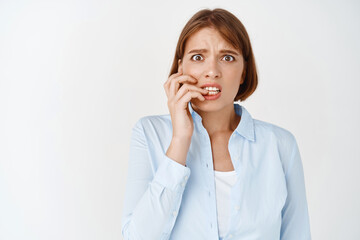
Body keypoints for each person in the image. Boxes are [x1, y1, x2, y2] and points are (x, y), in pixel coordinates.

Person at [121, 8, 311, 240]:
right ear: (181, 68)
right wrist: (180, 139)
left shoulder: (280, 145)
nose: (212, 71)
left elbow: (297, 234)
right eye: (198, 57)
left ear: (243, 72)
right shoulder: (149, 134)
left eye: (227, 57)